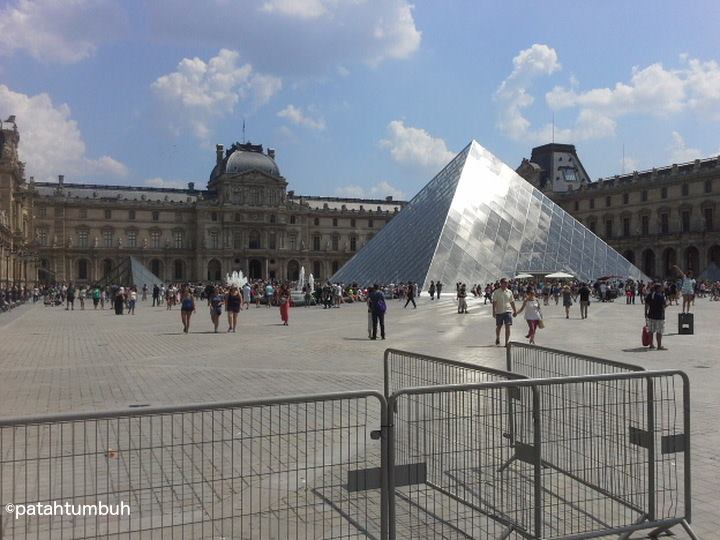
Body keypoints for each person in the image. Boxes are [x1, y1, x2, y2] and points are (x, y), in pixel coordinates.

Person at [491, 278, 517, 346]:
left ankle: (506, 342)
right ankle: (498, 337)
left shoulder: (509, 292)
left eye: (507, 283)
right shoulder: (496, 292)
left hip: (508, 311)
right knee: (499, 326)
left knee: (508, 326)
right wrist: (493, 311)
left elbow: (512, 301)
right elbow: (494, 302)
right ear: (501, 283)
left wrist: (515, 310)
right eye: (505, 283)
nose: (506, 284)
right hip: (499, 311)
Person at [645, 282, 669, 350]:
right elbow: (663, 306)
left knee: (651, 331)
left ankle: (651, 344)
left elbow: (646, 304)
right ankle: (659, 346)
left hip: (651, 315)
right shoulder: (661, 296)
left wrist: (645, 312)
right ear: (658, 288)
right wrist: (668, 304)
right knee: (659, 331)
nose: (662, 288)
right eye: (661, 287)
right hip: (659, 316)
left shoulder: (650, 295)